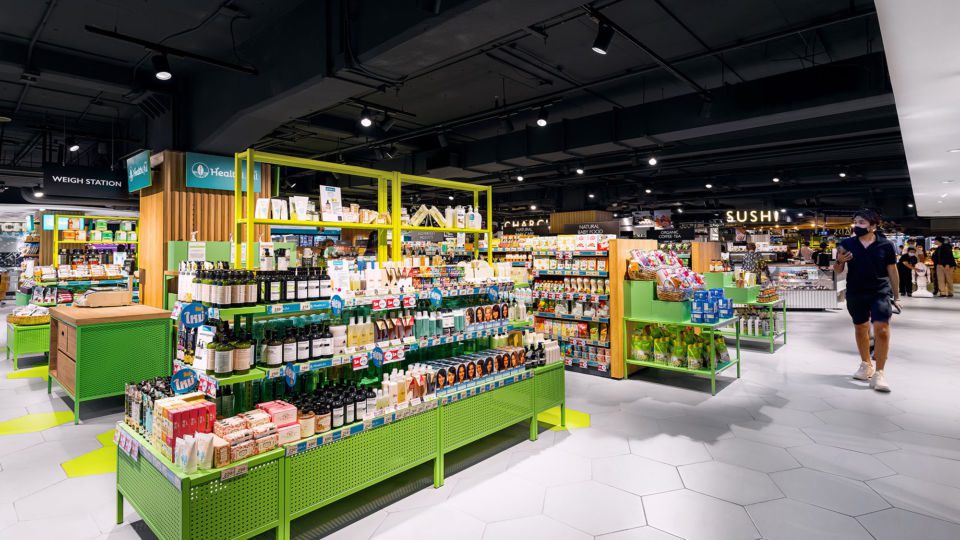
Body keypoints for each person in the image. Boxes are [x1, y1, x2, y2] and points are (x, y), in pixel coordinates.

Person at [834, 209, 899, 392]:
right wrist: (839, 261)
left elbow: (892, 271)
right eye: (856, 222)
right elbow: (837, 270)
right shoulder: (847, 243)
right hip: (856, 291)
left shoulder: (886, 245)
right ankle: (866, 364)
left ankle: (880, 372)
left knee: (882, 329)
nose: (857, 226)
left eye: (862, 222)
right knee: (861, 328)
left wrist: (897, 296)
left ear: (873, 225)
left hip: (880, 291)